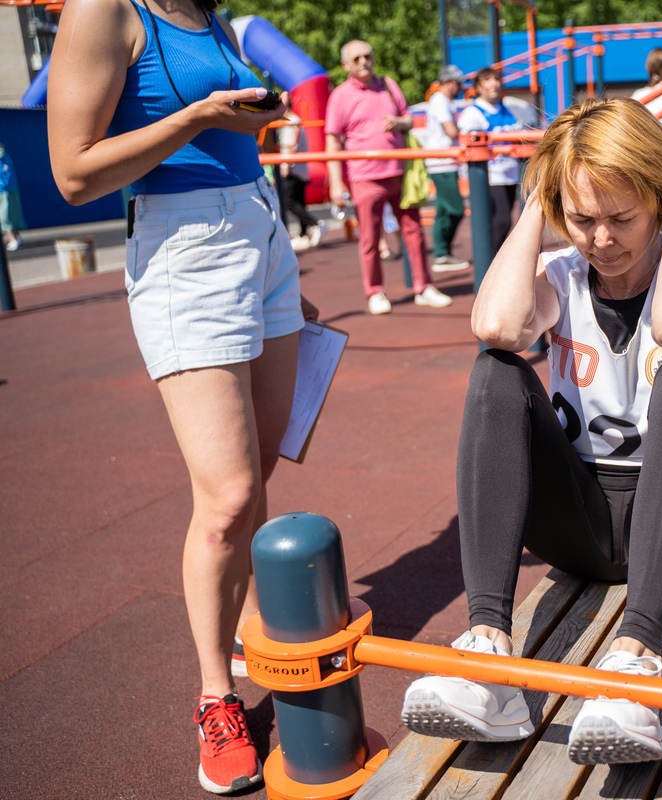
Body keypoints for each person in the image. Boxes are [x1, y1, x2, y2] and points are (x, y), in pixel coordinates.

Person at [400, 97, 662, 765]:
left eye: (623, 218)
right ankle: (489, 659)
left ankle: (634, 663)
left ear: (659, 201)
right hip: (583, 523)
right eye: (583, 219)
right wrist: (542, 195)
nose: (602, 240)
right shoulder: (559, 275)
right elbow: (497, 327)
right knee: (495, 371)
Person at [46, 0, 320, 793]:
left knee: (258, 473)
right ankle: (215, 698)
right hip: (184, 247)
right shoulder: (106, 10)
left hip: (259, 229)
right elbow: (73, 175)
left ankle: (244, 625)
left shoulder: (211, 13)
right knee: (228, 499)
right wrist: (199, 116)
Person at [326, 39, 451, 313]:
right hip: (365, 177)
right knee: (370, 238)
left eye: (367, 56)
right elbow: (332, 140)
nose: (364, 61)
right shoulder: (340, 96)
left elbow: (410, 119)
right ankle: (375, 291)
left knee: (414, 232)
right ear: (345, 65)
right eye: (356, 58)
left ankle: (423, 287)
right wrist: (335, 181)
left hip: (401, 173)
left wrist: (398, 123)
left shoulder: (388, 85)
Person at [457, 67, 538, 257]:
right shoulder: (473, 113)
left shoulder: (506, 109)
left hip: (510, 172)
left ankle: (496, 260)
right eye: (487, 80)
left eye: (496, 79)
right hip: (490, 174)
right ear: (478, 87)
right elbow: (470, 142)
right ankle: (490, 262)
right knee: (501, 221)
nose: (494, 83)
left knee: (506, 220)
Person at [423, 65, 470, 271]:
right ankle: (441, 252)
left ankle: (442, 253)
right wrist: (465, 131)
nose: (460, 88)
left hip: (444, 161)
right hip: (441, 162)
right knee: (455, 209)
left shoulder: (443, 101)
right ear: (448, 83)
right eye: (458, 84)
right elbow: (451, 131)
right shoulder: (440, 101)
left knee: (443, 210)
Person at [276, 110, 325, 251]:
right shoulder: (296, 122)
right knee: (299, 202)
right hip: (301, 169)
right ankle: (304, 233)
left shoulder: (290, 122)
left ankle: (315, 223)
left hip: (293, 169)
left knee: (289, 201)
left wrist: (285, 166)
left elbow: (291, 147)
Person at [0, 141, 26, 251]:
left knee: (5, 217)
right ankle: (16, 238)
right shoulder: (6, 158)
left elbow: (6, 176)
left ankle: (13, 239)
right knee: (9, 216)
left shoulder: (4, 158)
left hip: (5, 191)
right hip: (7, 190)